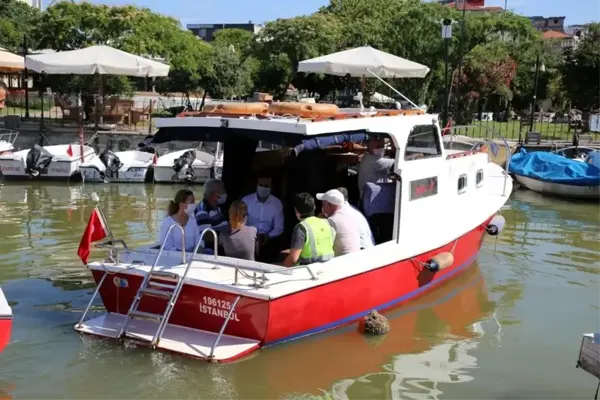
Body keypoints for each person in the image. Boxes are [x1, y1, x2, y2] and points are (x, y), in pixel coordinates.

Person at [282, 193, 335, 267]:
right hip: (329, 267)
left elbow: (293, 259)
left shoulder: (301, 228)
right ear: (314, 207)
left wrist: (278, 270)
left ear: (296, 211)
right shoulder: (327, 223)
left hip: (309, 271)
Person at [242, 175, 284, 262]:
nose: (263, 188)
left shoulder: (276, 203)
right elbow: (241, 222)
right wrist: (251, 234)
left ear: (271, 187)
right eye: (261, 185)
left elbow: (279, 227)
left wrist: (268, 236)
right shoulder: (246, 201)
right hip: (248, 237)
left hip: (269, 239)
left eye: (266, 186)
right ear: (257, 185)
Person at [317, 189, 360, 256]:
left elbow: (320, 246)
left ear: (330, 205)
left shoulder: (331, 221)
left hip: (343, 261)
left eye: (323, 204)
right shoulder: (349, 215)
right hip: (356, 257)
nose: (322, 207)